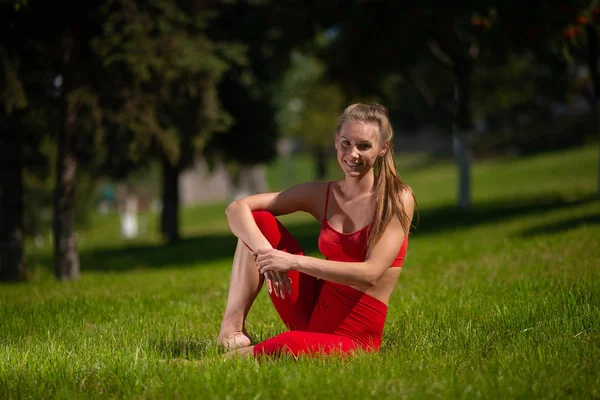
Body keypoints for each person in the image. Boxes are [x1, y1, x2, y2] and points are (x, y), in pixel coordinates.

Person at [217, 102, 416, 359]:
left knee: (286, 343)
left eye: (364, 146)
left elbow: (370, 274)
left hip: (354, 337)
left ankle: (220, 361)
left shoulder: (396, 197)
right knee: (258, 221)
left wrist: (292, 261)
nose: (352, 154)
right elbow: (236, 209)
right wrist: (265, 252)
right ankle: (231, 333)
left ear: (382, 149)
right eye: (346, 143)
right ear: (335, 141)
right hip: (311, 311)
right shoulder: (322, 194)